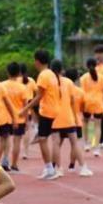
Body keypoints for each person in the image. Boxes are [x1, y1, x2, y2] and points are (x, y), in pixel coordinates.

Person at [25, 49, 61, 178]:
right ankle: (50, 167)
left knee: (43, 139)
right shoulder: (51, 73)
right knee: (45, 138)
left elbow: (38, 96)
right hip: (53, 109)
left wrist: (25, 109)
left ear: (37, 61)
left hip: (47, 110)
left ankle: (49, 168)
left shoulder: (43, 75)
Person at [49, 58, 87, 178]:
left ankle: (58, 168)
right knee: (75, 143)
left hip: (54, 117)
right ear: (62, 70)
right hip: (68, 117)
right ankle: (82, 167)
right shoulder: (69, 83)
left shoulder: (49, 82)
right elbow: (72, 101)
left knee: (55, 143)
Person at [2, 62, 32, 172]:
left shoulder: (2, 85)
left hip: (5, 117)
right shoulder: (22, 88)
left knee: (5, 140)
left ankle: (5, 160)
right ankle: (14, 164)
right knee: (17, 141)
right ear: (19, 73)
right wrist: (27, 120)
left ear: (7, 72)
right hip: (19, 118)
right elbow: (26, 106)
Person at [80, 58, 103, 157]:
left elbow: (81, 92)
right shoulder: (102, 77)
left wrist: (81, 105)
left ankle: (86, 143)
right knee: (97, 126)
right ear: (96, 65)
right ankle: (96, 148)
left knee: (85, 122)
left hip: (87, 102)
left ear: (86, 66)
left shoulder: (83, 78)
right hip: (98, 103)